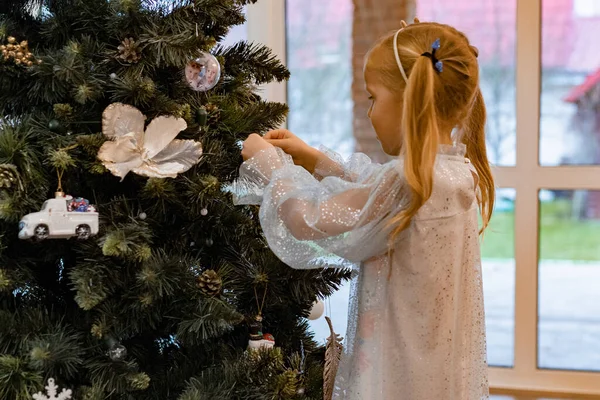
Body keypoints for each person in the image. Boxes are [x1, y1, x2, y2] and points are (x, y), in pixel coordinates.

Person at [232, 18, 494, 400]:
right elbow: (372, 192)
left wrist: (270, 166)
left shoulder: (410, 182)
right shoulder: (453, 173)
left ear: (410, 102)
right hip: (431, 374)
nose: (370, 111)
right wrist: (314, 158)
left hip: (393, 378)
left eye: (373, 97)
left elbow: (309, 218)